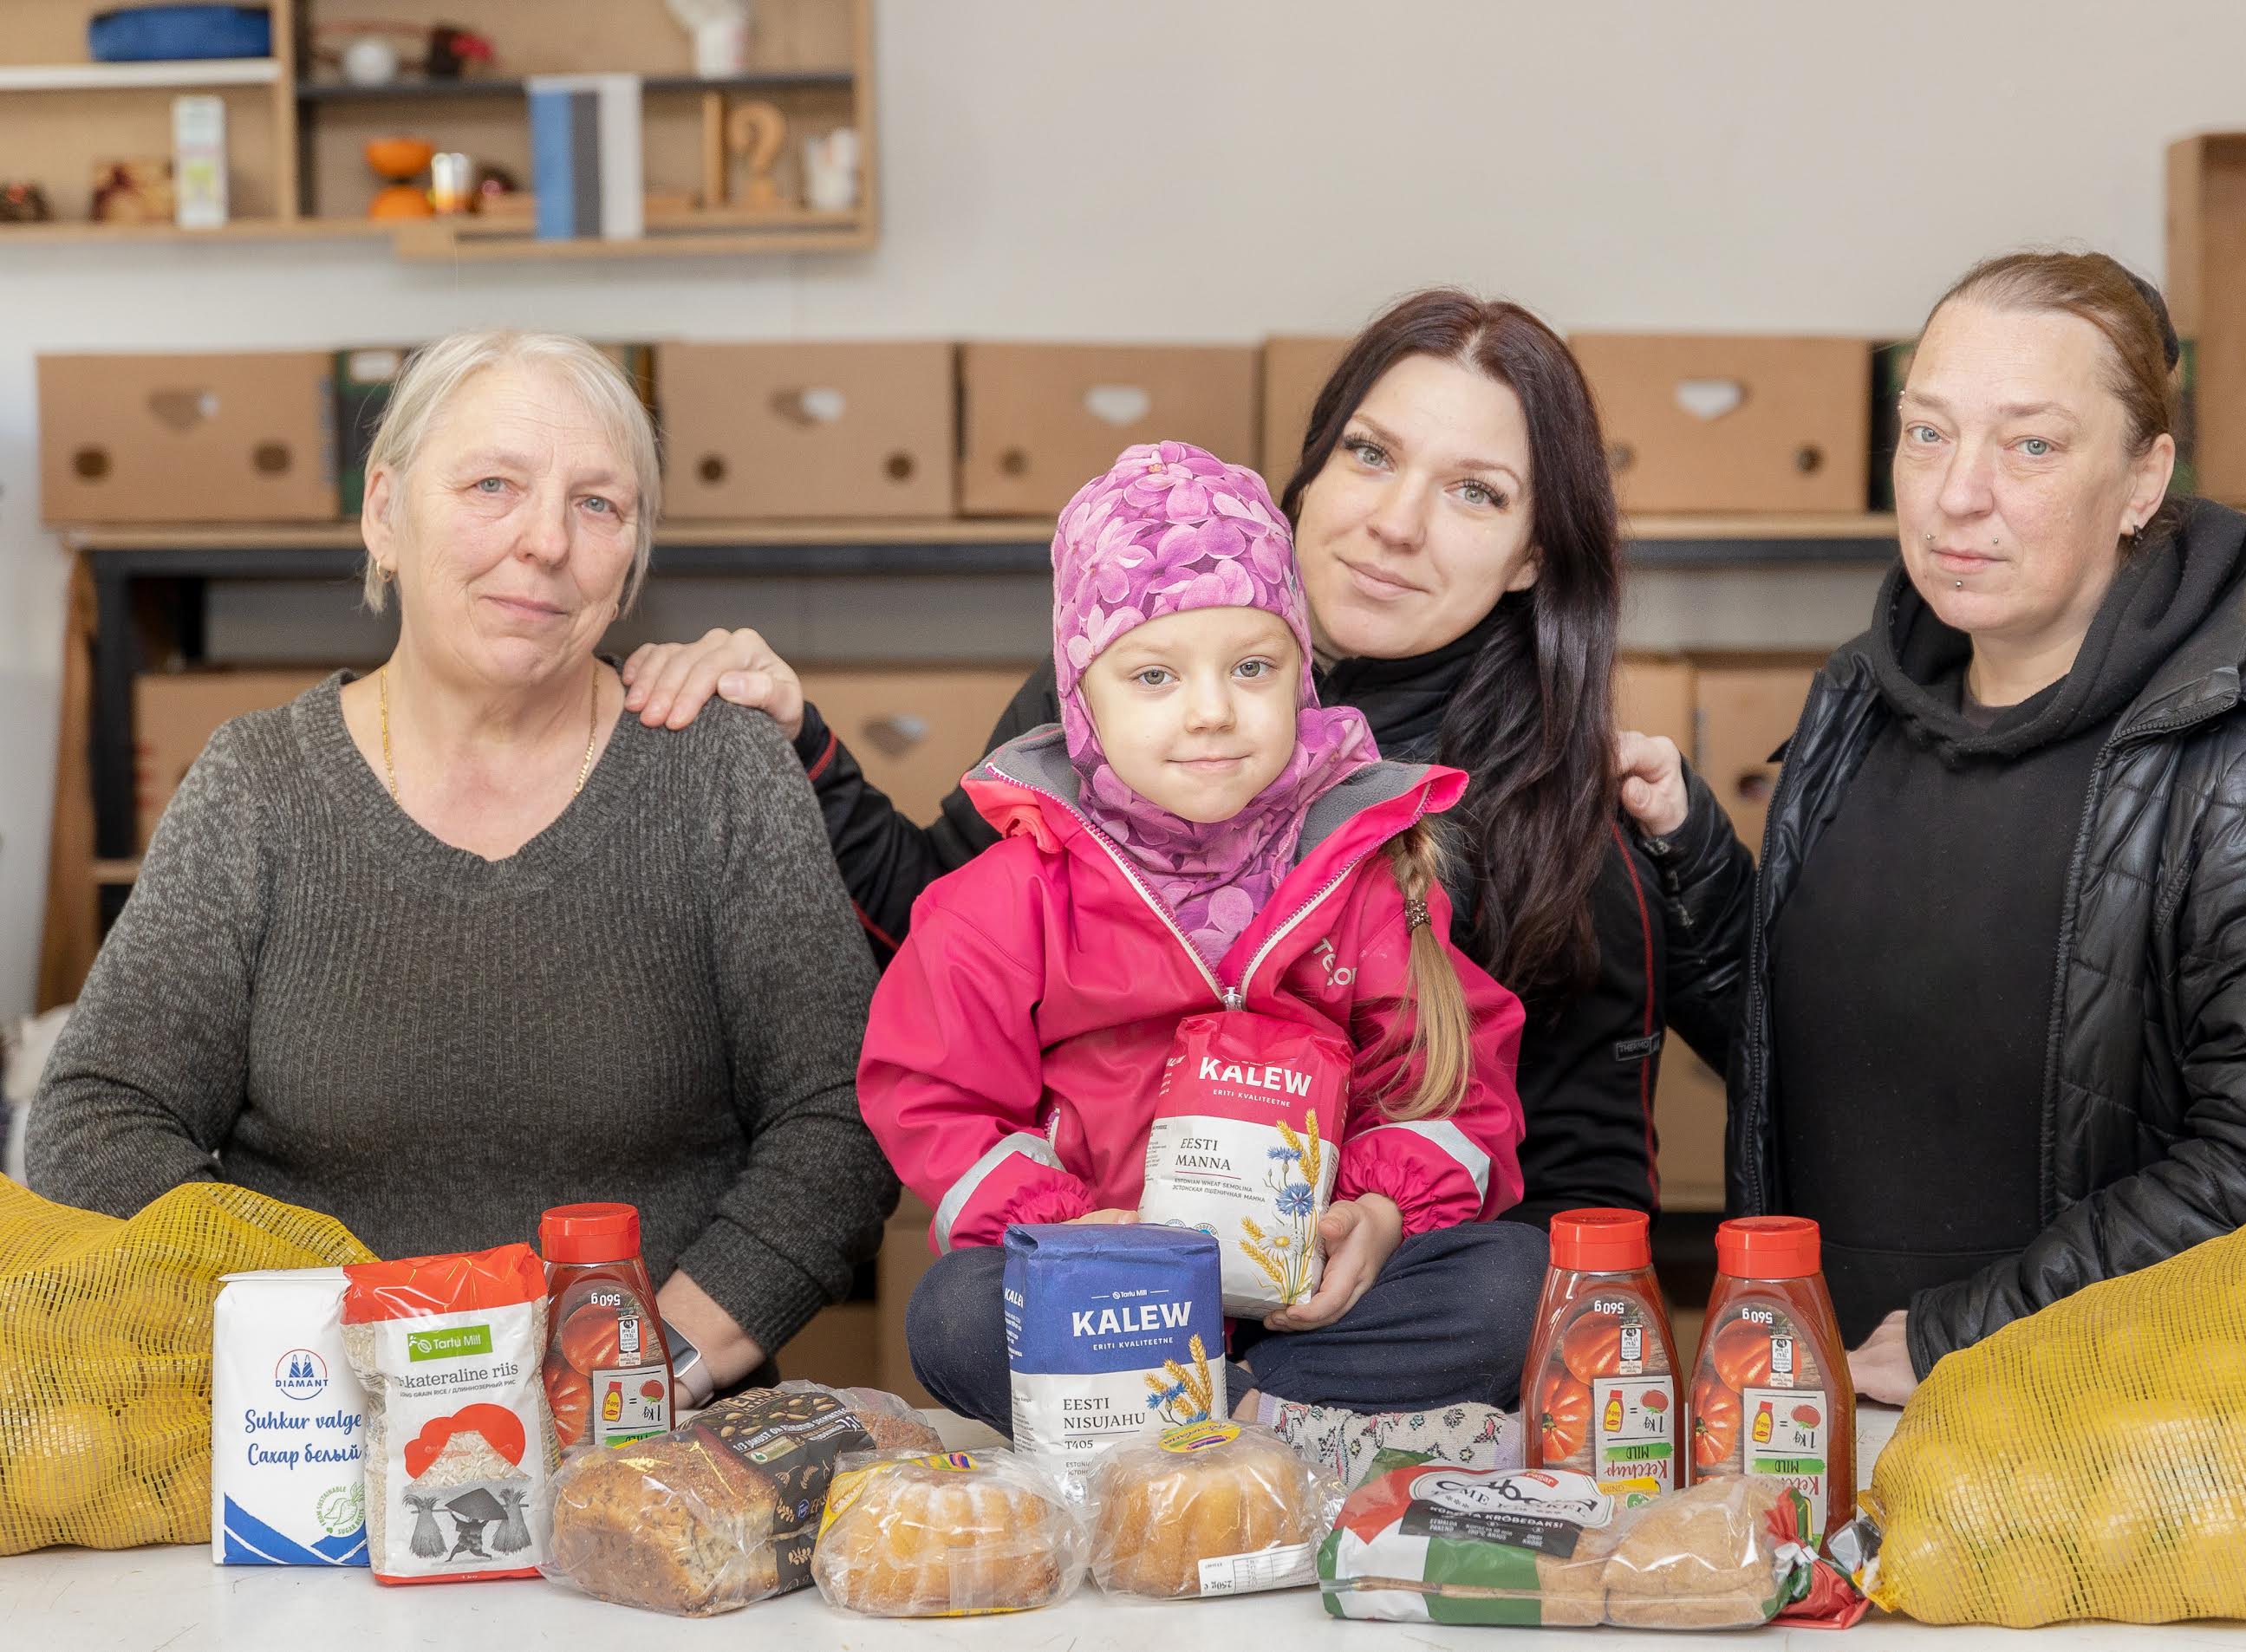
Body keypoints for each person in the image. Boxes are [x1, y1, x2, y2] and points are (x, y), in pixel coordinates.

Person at [622, 290, 1756, 1227]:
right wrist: (798, 746)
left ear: (1529, 558)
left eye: (1474, 491)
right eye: (1369, 454)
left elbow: (1583, 1189)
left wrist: (1392, 1251)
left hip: (1383, 1294)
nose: (1395, 521)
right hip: (1113, 1271)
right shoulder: (1121, 684)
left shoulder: (1559, 808)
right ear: (1307, 473)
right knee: (960, 1311)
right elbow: (946, 921)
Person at [29, 329, 897, 1405]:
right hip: (321, 1445)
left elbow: (843, 1119)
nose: (544, 542)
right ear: (385, 512)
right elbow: (96, 1119)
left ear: (630, 563)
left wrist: (645, 1368)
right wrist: (340, 1353)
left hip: (648, 1446)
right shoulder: (259, 785)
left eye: (598, 505)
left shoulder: (721, 773)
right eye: (494, 484)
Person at [1709, 252, 2246, 1402]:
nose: (1957, 492)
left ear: (2141, 478)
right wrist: (1681, 860)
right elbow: (1831, 1049)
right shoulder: (1854, 706)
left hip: (2098, 1460)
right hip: (1823, 1424)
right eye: (1925, 433)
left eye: (2030, 445)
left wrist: (1961, 1335)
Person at [862, 441, 1542, 1444]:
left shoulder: (1364, 869)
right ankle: (1278, 1424)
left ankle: (1210, 1417)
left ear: (1300, 675)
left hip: (1313, 1294)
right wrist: (1057, 1225)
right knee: (955, 1313)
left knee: (1516, 1284)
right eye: (1153, 675)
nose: (1214, 709)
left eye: (1253, 666)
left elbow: (1450, 1081)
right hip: (1109, 1293)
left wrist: (1380, 1215)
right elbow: (929, 1092)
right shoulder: (1007, 898)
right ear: (1081, 701)